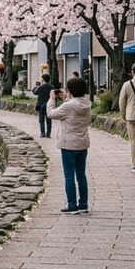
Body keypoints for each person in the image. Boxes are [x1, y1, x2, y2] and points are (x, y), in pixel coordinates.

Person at [48, 76, 93, 214]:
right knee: (81, 174)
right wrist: (67, 97)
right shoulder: (87, 103)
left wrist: (52, 99)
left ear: (70, 90)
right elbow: (74, 107)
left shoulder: (69, 105)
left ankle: (72, 204)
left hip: (68, 144)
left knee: (69, 175)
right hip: (82, 143)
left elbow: (51, 114)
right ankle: (83, 204)